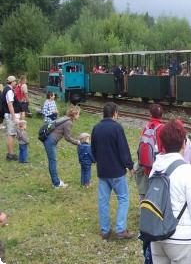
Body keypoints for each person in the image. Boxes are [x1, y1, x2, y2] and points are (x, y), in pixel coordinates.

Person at [149, 120, 191, 263]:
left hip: (157, 235)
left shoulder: (156, 168)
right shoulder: (187, 171)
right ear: (184, 144)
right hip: (181, 239)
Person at [91, 102, 135, 240]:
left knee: (103, 200)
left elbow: (93, 149)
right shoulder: (117, 128)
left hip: (102, 171)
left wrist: (98, 161)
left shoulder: (96, 128)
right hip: (116, 171)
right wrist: (130, 166)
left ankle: (105, 231)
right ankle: (120, 229)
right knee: (123, 198)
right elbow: (123, 150)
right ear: (115, 113)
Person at [43, 105, 81, 188]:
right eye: (78, 114)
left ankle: (56, 181)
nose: (79, 116)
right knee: (52, 161)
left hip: (49, 139)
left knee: (52, 161)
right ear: (74, 114)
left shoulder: (65, 118)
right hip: (50, 141)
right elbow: (67, 137)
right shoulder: (68, 122)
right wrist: (77, 142)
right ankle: (56, 183)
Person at [135, 104, 166, 202]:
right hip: (157, 164)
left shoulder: (146, 127)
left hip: (146, 163)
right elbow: (163, 148)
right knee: (156, 188)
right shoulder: (163, 128)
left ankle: (144, 205)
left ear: (150, 114)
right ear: (161, 115)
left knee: (145, 187)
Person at [3, 76, 20, 161]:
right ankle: (11, 154)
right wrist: (14, 117)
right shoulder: (9, 91)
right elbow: (10, 105)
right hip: (11, 116)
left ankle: (9, 153)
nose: (16, 83)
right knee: (11, 134)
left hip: (9, 115)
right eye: (15, 82)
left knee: (10, 134)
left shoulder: (6, 89)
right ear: (12, 81)